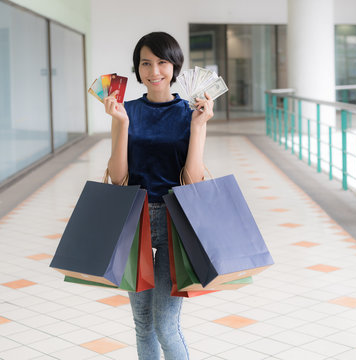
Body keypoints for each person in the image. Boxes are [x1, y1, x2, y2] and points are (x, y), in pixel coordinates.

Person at [103, 32, 214, 360]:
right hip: (134, 222)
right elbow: (119, 177)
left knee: (166, 324)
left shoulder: (189, 112)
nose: (154, 71)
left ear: (175, 65)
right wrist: (121, 125)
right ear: (137, 70)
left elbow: (192, 180)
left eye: (162, 62)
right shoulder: (126, 111)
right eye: (145, 63)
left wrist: (198, 128)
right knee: (142, 322)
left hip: (173, 221)